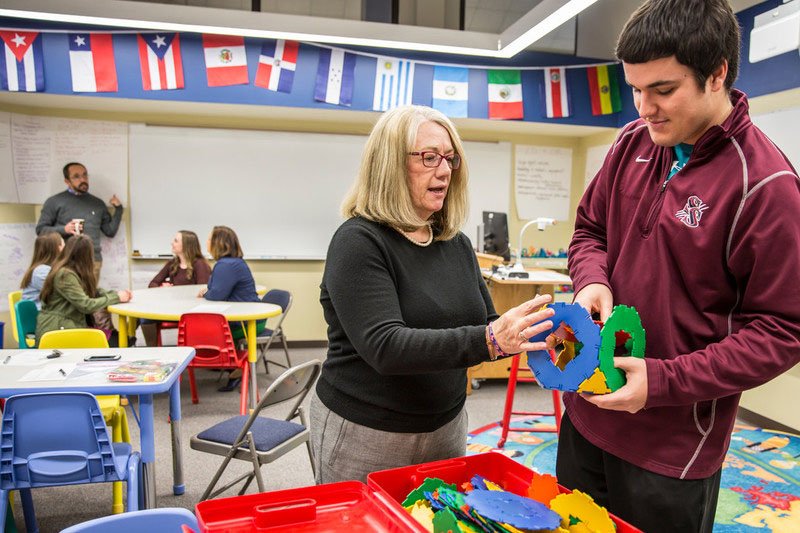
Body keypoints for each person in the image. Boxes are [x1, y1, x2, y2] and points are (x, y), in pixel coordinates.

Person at [559, 1, 800, 532]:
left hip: (672, 448)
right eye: (636, 90)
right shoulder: (629, 144)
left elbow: (784, 331)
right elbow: (589, 232)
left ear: (716, 74)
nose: (644, 108)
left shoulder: (766, 186)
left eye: (663, 90)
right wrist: (592, 280)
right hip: (585, 412)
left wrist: (664, 382)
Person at [309, 105, 556, 485]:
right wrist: (490, 340)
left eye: (449, 158)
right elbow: (386, 347)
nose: (444, 170)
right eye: (429, 157)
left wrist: (536, 332)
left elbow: (486, 323)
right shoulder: (358, 242)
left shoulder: (454, 243)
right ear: (389, 164)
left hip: (448, 427)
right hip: (367, 432)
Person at [36, 162, 125, 334]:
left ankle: (100, 336)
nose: (82, 179)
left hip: (92, 261)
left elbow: (110, 231)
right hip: (64, 262)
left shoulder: (97, 203)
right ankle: (80, 334)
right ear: (66, 181)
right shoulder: (55, 202)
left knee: (90, 299)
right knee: (76, 304)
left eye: (85, 175)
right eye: (76, 176)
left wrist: (119, 209)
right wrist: (64, 229)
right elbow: (41, 230)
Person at [200, 225, 264, 391]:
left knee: (204, 329)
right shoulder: (230, 263)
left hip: (247, 323)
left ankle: (235, 367)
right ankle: (232, 367)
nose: (206, 242)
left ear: (218, 243)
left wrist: (207, 293)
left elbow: (215, 295)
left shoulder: (226, 265)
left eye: (208, 239)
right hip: (248, 318)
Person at [35, 235, 132, 342]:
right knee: (114, 342)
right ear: (85, 255)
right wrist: (116, 297)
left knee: (117, 340)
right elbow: (86, 305)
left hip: (64, 325)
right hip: (57, 330)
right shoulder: (65, 274)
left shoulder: (71, 271)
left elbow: (95, 291)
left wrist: (115, 294)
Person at [140, 230, 212, 346]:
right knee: (145, 318)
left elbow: (203, 291)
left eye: (176, 240)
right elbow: (153, 283)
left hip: (191, 312)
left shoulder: (200, 265)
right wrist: (162, 286)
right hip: (172, 309)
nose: (172, 243)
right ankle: (152, 351)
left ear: (186, 245)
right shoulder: (172, 263)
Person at [19, 232, 65, 310]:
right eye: (64, 244)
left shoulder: (51, 268)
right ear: (58, 248)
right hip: (39, 318)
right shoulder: (41, 271)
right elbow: (64, 293)